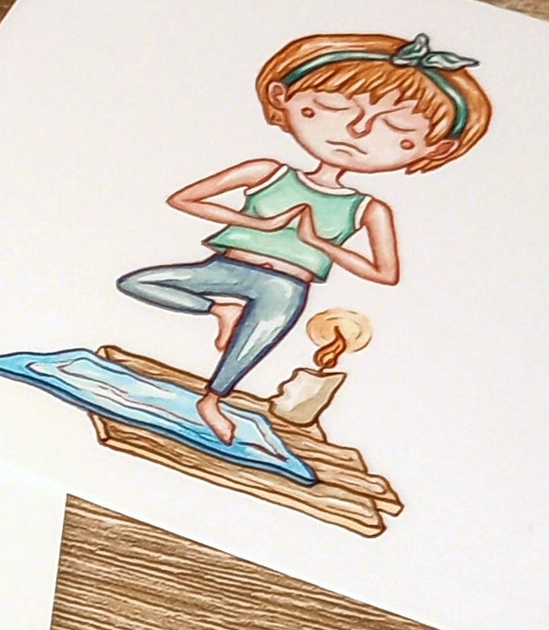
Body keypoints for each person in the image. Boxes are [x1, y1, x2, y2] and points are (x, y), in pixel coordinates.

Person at [115, 31, 492, 444]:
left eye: (397, 130)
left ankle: (212, 401)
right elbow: (185, 199)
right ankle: (220, 310)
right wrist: (258, 226)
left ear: (434, 149)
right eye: (332, 109)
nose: (357, 131)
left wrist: (318, 243)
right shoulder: (267, 172)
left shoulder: (368, 208)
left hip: (287, 285)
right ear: (282, 97)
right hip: (228, 266)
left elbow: (385, 273)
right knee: (138, 282)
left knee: (251, 347)